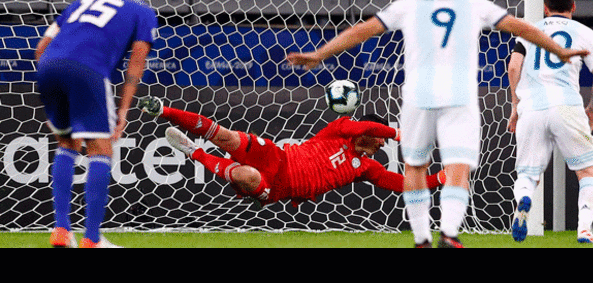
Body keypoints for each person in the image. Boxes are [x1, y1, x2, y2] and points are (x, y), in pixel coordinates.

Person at [287, 0, 589, 248]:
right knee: (458, 165)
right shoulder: (474, 4)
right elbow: (520, 26)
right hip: (460, 95)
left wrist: (319, 54)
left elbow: (362, 31)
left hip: (420, 94)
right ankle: (448, 232)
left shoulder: (408, 5)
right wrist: (558, 50)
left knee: (415, 166)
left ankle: (421, 238)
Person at [35, 0, 158, 248]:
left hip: (49, 67)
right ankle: (92, 238)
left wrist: (53, 93)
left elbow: (41, 48)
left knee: (66, 144)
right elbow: (136, 64)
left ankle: (62, 230)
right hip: (88, 70)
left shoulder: (81, 2)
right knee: (101, 149)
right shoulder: (142, 10)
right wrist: (123, 112)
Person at [136, 96, 446, 209]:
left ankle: (194, 153)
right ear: (369, 132)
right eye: (380, 138)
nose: (382, 145)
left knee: (246, 175)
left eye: (386, 140)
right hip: (277, 157)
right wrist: (396, 131)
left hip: (280, 188)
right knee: (226, 137)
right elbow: (357, 127)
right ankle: (163, 110)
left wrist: (440, 178)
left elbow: (400, 183)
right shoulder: (341, 128)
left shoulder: (364, 168)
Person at [507, 0, 593, 244]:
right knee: (587, 171)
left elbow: (513, 67)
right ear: (573, 6)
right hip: (567, 106)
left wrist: (516, 107)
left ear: (545, 8)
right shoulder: (584, 32)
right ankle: (584, 229)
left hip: (531, 107)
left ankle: (524, 199)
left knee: (528, 173)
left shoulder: (529, 31)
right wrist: (592, 110)